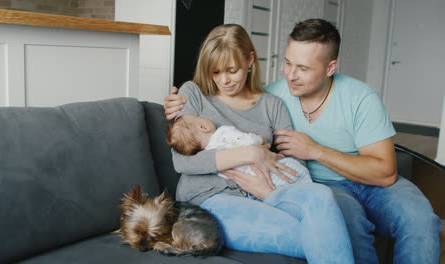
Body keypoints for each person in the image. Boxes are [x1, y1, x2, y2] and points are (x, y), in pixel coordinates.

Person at [165, 19, 441, 264]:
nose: (291, 75)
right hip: (228, 194)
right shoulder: (199, 93)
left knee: (417, 220)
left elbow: (380, 173)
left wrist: (304, 160)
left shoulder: (280, 102)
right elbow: (183, 156)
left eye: (303, 68)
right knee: (337, 229)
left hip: (345, 183)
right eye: (287, 63)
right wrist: (250, 154)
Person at [164, 24, 354, 263]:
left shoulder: (271, 105)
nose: (224, 80)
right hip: (210, 199)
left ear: (250, 60)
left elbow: (295, 161)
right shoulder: (193, 93)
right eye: (215, 72)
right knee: (317, 237)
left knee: (322, 196)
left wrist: (266, 192)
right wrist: (251, 153)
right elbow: (182, 162)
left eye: (232, 70)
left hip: (264, 193)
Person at [166, 114, 312, 188]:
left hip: (257, 180)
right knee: (296, 172)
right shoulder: (223, 132)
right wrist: (261, 140)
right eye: (199, 117)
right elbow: (247, 141)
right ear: (204, 128)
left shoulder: (211, 159)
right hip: (271, 169)